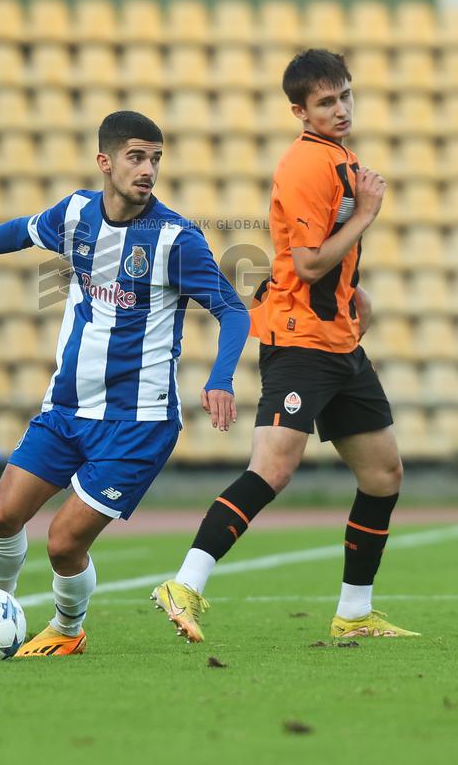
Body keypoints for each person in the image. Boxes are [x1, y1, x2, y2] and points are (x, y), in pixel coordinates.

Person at [0, 111, 250, 657]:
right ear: (105, 161)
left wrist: (221, 377)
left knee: (63, 543)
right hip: (66, 408)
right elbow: (17, 232)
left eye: (156, 158)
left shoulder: (175, 239)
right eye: (137, 157)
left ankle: (68, 629)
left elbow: (234, 311)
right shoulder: (75, 215)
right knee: (2, 516)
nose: (148, 170)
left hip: (135, 423)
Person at [153, 49, 419, 642]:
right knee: (272, 469)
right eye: (326, 102)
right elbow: (307, 259)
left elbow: (332, 259)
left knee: (383, 474)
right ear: (299, 111)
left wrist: (356, 295)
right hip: (299, 340)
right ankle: (184, 584)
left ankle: (353, 615)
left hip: (339, 340)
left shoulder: (342, 158)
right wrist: (368, 213)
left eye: (345, 95)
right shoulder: (305, 165)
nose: (341, 108)